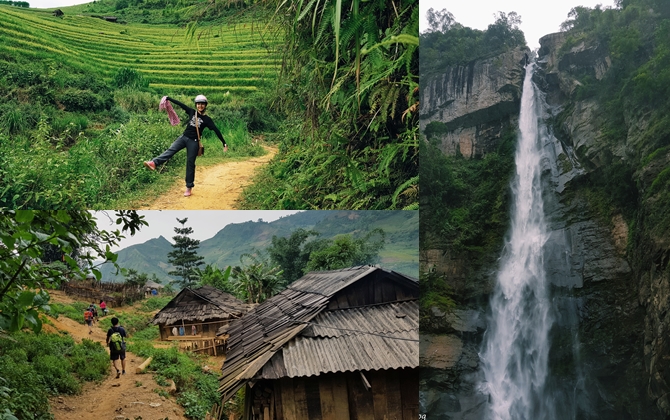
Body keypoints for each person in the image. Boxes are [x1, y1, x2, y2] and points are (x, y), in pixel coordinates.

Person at [143, 95, 228, 197]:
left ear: (205, 106)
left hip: (194, 142)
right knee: (171, 150)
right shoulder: (192, 112)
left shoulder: (207, 119)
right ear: (196, 105)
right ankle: (154, 163)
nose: (200, 106)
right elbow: (181, 104)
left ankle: (189, 187)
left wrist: (224, 143)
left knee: (190, 163)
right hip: (183, 138)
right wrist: (169, 98)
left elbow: (216, 130)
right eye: (198, 104)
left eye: (202, 104)